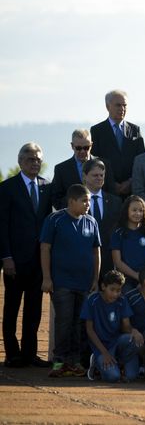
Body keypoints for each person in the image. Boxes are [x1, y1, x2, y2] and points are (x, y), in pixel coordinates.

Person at [0, 142, 54, 368]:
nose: (35, 163)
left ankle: (30, 354)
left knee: (33, 309)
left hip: (38, 261)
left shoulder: (46, 186)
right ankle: (12, 353)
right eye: (31, 159)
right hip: (15, 260)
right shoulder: (7, 187)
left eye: (38, 159)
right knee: (11, 307)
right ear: (21, 161)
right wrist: (6, 257)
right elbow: (1, 226)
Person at [41, 184, 101, 378]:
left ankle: (75, 363)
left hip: (84, 283)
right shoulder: (55, 219)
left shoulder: (91, 221)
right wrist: (47, 278)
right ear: (71, 201)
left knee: (80, 324)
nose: (87, 204)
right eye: (84, 200)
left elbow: (96, 251)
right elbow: (45, 248)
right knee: (64, 323)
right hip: (62, 283)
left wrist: (95, 279)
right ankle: (59, 363)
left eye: (89, 201)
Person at [80, 270, 139, 382]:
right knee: (114, 377)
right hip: (100, 346)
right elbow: (89, 330)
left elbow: (126, 326)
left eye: (119, 290)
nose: (115, 294)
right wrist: (104, 353)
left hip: (116, 341)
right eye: (112, 290)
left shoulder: (122, 300)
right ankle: (96, 362)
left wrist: (134, 331)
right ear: (103, 286)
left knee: (135, 340)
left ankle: (118, 362)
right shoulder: (92, 300)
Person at [90, 90, 145, 197]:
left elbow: (141, 159)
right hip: (107, 190)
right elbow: (94, 160)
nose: (122, 108)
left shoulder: (135, 130)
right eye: (118, 105)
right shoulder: (97, 131)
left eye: (125, 105)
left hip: (131, 192)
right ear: (108, 106)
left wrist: (130, 181)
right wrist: (111, 183)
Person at [50, 129, 115, 209]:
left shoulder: (104, 165)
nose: (82, 151)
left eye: (86, 147)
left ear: (91, 145)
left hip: (100, 214)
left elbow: (112, 193)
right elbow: (56, 198)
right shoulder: (61, 169)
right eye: (78, 148)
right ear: (72, 146)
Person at [82, 158, 122, 279]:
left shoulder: (116, 201)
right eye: (95, 175)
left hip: (110, 261)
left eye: (101, 175)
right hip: (84, 261)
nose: (99, 178)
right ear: (85, 176)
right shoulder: (75, 202)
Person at [111, 195, 145, 291]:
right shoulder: (118, 232)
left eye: (141, 210)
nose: (138, 213)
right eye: (134, 210)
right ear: (127, 211)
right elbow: (117, 262)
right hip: (125, 281)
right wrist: (137, 276)